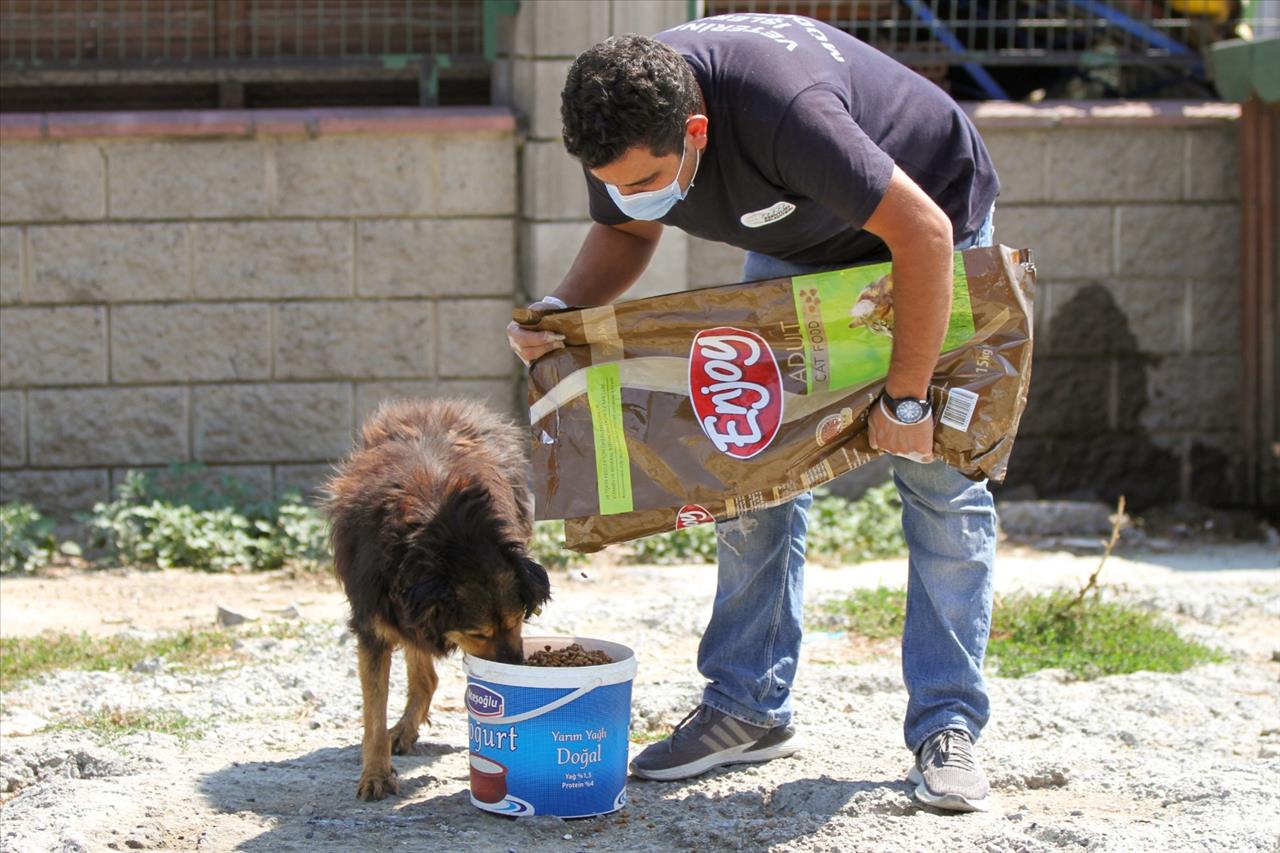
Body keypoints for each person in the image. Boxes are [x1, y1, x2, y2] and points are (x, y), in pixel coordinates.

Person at [506, 12, 999, 813]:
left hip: (928, 221)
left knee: (935, 475)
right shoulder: (620, 117)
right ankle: (746, 707)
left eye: (646, 179)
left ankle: (947, 726)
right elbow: (627, 234)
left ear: (697, 129)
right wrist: (564, 312)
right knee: (749, 464)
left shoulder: (786, 113)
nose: (631, 195)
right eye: (613, 181)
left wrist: (906, 395)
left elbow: (925, 235)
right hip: (802, 241)